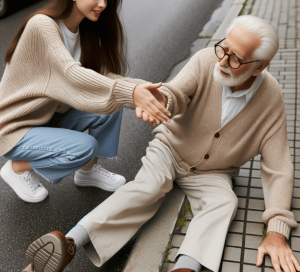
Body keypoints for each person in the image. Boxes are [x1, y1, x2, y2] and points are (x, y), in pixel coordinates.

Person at [23, 15, 300, 272]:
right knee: (147, 188)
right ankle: (69, 242)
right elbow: (176, 92)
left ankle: (185, 267)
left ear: (260, 66)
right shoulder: (206, 61)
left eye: (236, 58)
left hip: (214, 172)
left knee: (225, 201)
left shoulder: (271, 99)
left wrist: (277, 231)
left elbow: (278, 167)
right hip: (170, 149)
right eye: (223, 49)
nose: (223, 61)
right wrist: (161, 101)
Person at [0, 0, 170, 203]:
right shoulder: (41, 25)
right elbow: (71, 75)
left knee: (112, 98)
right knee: (85, 146)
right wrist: (131, 93)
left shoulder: (85, 32)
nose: (102, 4)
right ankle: (18, 166)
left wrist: (150, 91)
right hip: (15, 128)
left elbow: (106, 79)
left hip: (48, 117)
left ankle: (88, 172)